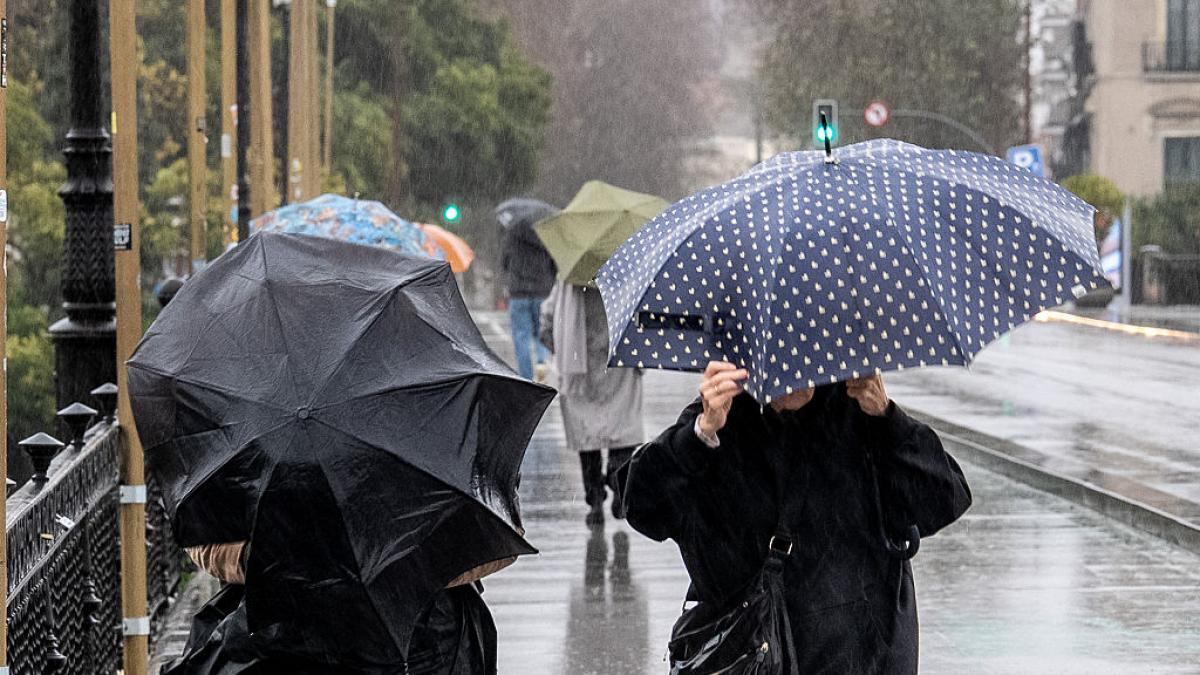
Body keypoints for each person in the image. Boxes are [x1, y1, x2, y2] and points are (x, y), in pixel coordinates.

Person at [623, 362, 972, 674]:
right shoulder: (723, 421)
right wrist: (699, 434)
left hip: (855, 652)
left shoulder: (861, 416)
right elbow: (644, 508)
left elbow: (943, 499)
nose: (786, 375)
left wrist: (888, 418)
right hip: (746, 651)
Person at [541, 280, 644, 526]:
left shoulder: (569, 279)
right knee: (622, 429)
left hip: (580, 366)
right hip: (619, 360)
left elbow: (547, 321)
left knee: (586, 434)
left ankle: (595, 497)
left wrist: (560, 347)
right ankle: (619, 483)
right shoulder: (629, 275)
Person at [496, 201, 557, 382]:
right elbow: (553, 264)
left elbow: (505, 262)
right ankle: (541, 363)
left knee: (520, 335)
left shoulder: (511, 235)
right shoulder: (546, 237)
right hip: (542, 291)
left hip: (518, 292)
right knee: (541, 332)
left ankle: (525, 375)